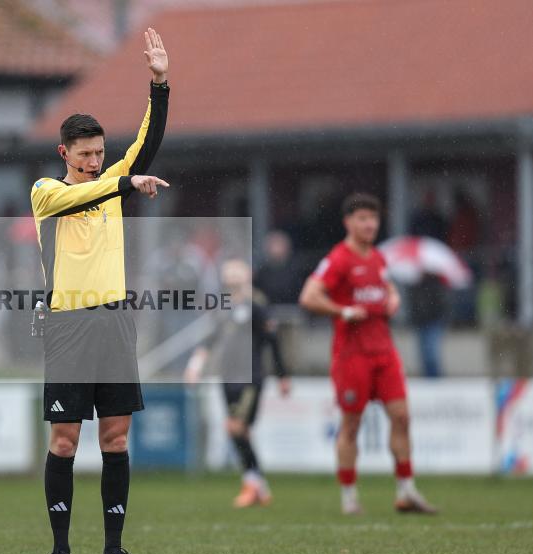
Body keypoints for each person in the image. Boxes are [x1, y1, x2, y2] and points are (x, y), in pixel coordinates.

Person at [31, 28, 170, 554]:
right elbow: (95, 190)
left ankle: (114, 549)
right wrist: (125, 183)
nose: (94, 161)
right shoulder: (47, 193)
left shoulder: (111, 184)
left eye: (100, 153)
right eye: (85, 154)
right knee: (65, 440)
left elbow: (145, 147)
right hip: (68, 325)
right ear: (64, 153)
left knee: (116, 438)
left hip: (114, 323)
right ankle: (59, 551)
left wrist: (159, 85)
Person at [299, 192, 437, 515]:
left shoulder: (378, 257)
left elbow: (387, 286)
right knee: (351, 425)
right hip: (352, 355)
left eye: (373, 218)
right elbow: (309, 296)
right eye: (362, 218)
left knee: (401, 417)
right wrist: (343, 311)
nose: (370, 224)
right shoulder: (338, 259)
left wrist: (394, 297)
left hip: (384, 352)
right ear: (348, 222)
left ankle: (406, 492)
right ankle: (349, 497)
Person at [184, 259, 290, 508]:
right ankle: (257, 484)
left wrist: (282, 375)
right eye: (228, 272)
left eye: (236, 272)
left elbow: (272, 340)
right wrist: (195, 366)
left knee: (235, 427)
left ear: (246, 276)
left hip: (250, 377)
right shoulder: (221, 308)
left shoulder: (256, 306)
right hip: (227, 378)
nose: (232, 276)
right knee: (238, 430)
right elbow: (209, 340)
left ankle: (253, 483)